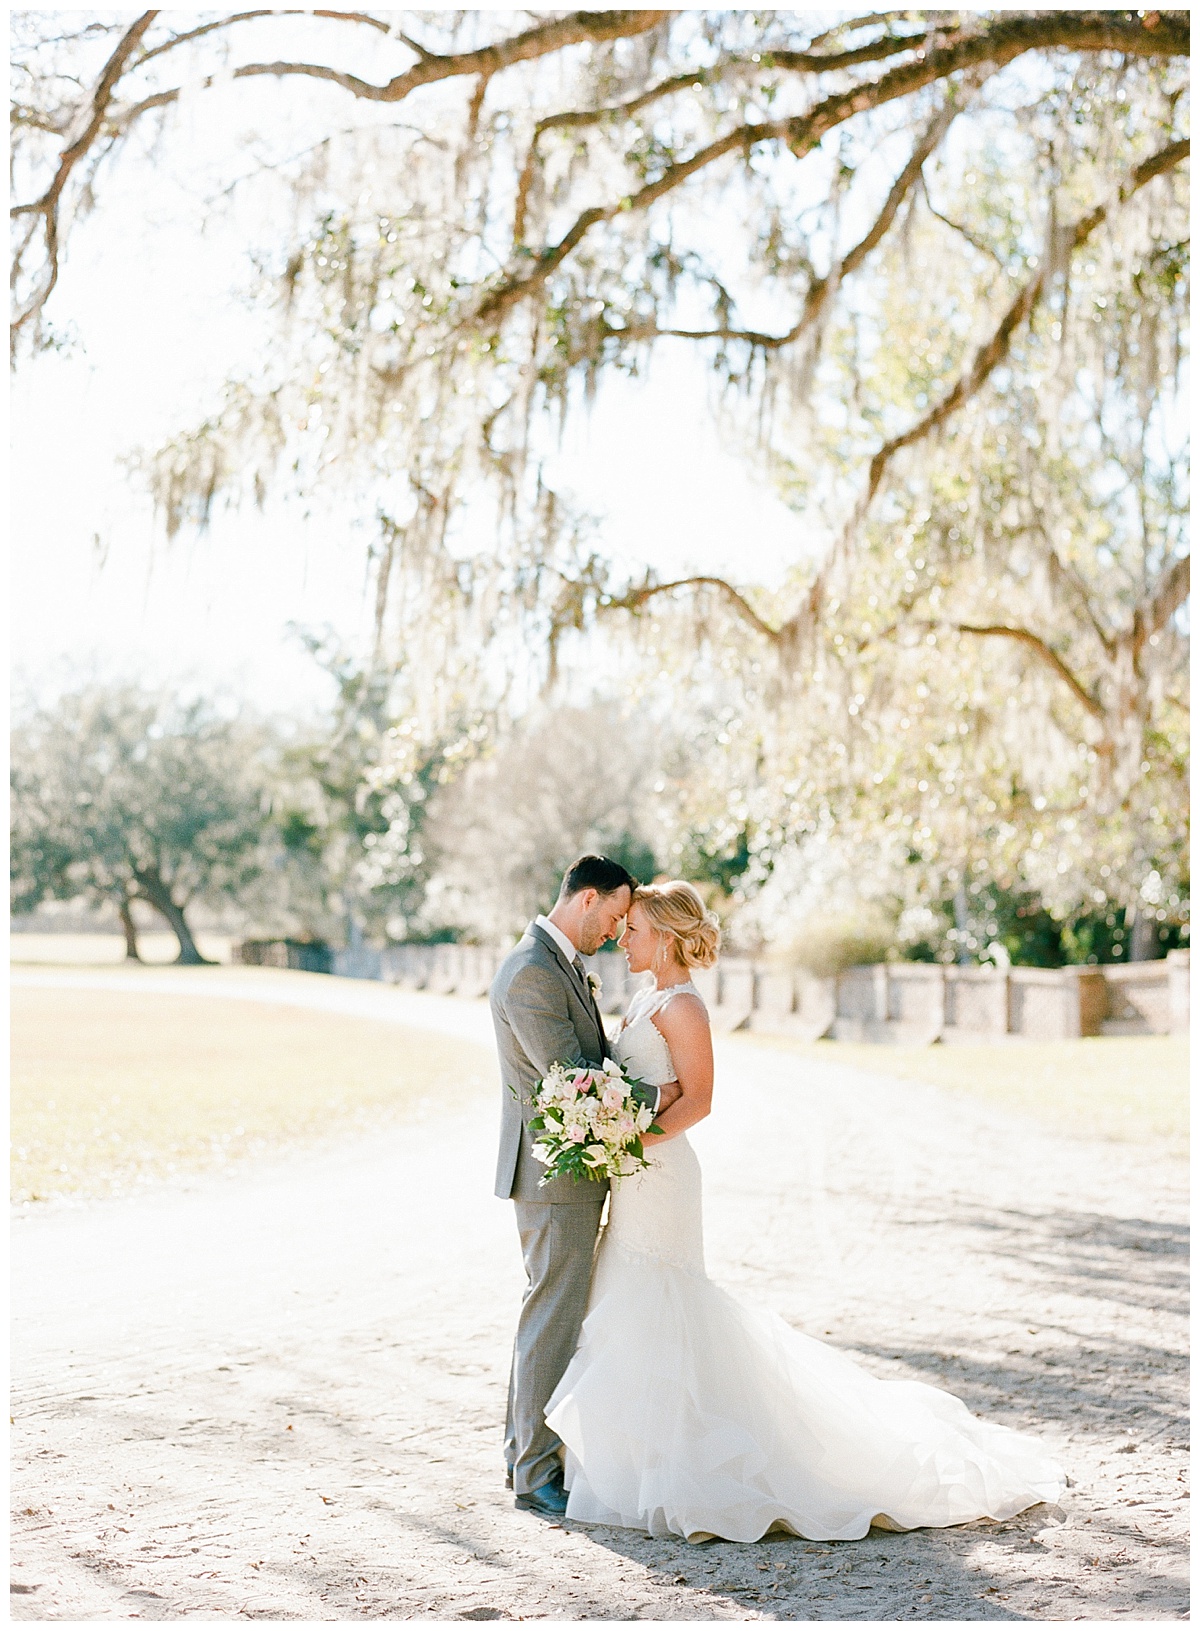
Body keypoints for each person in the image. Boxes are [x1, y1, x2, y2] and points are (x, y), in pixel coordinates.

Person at [545, 880, 1065, 1542]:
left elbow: (698, 1101)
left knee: (664, 1304)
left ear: (668, 938)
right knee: (622, 1302)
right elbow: (648, 1086)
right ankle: (641, 1461)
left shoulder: (683, 1008)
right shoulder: (644, 997)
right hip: (637, 1178)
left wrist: (628, 1140)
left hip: (663, 1177)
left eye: (636, 930)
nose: (624, 939)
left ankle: (685, 1467)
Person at [490, 855, 681, 1516]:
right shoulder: (531, 971)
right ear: (589, 898)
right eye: (616, 914)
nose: (617, 928)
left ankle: (524, 1452)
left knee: (550, 1309)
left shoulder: (562, 963)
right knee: (552, 1313)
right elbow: (574, 1079)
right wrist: (668, 1094)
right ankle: (535, 1471)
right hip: (551, 1175)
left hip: (572, 1169)